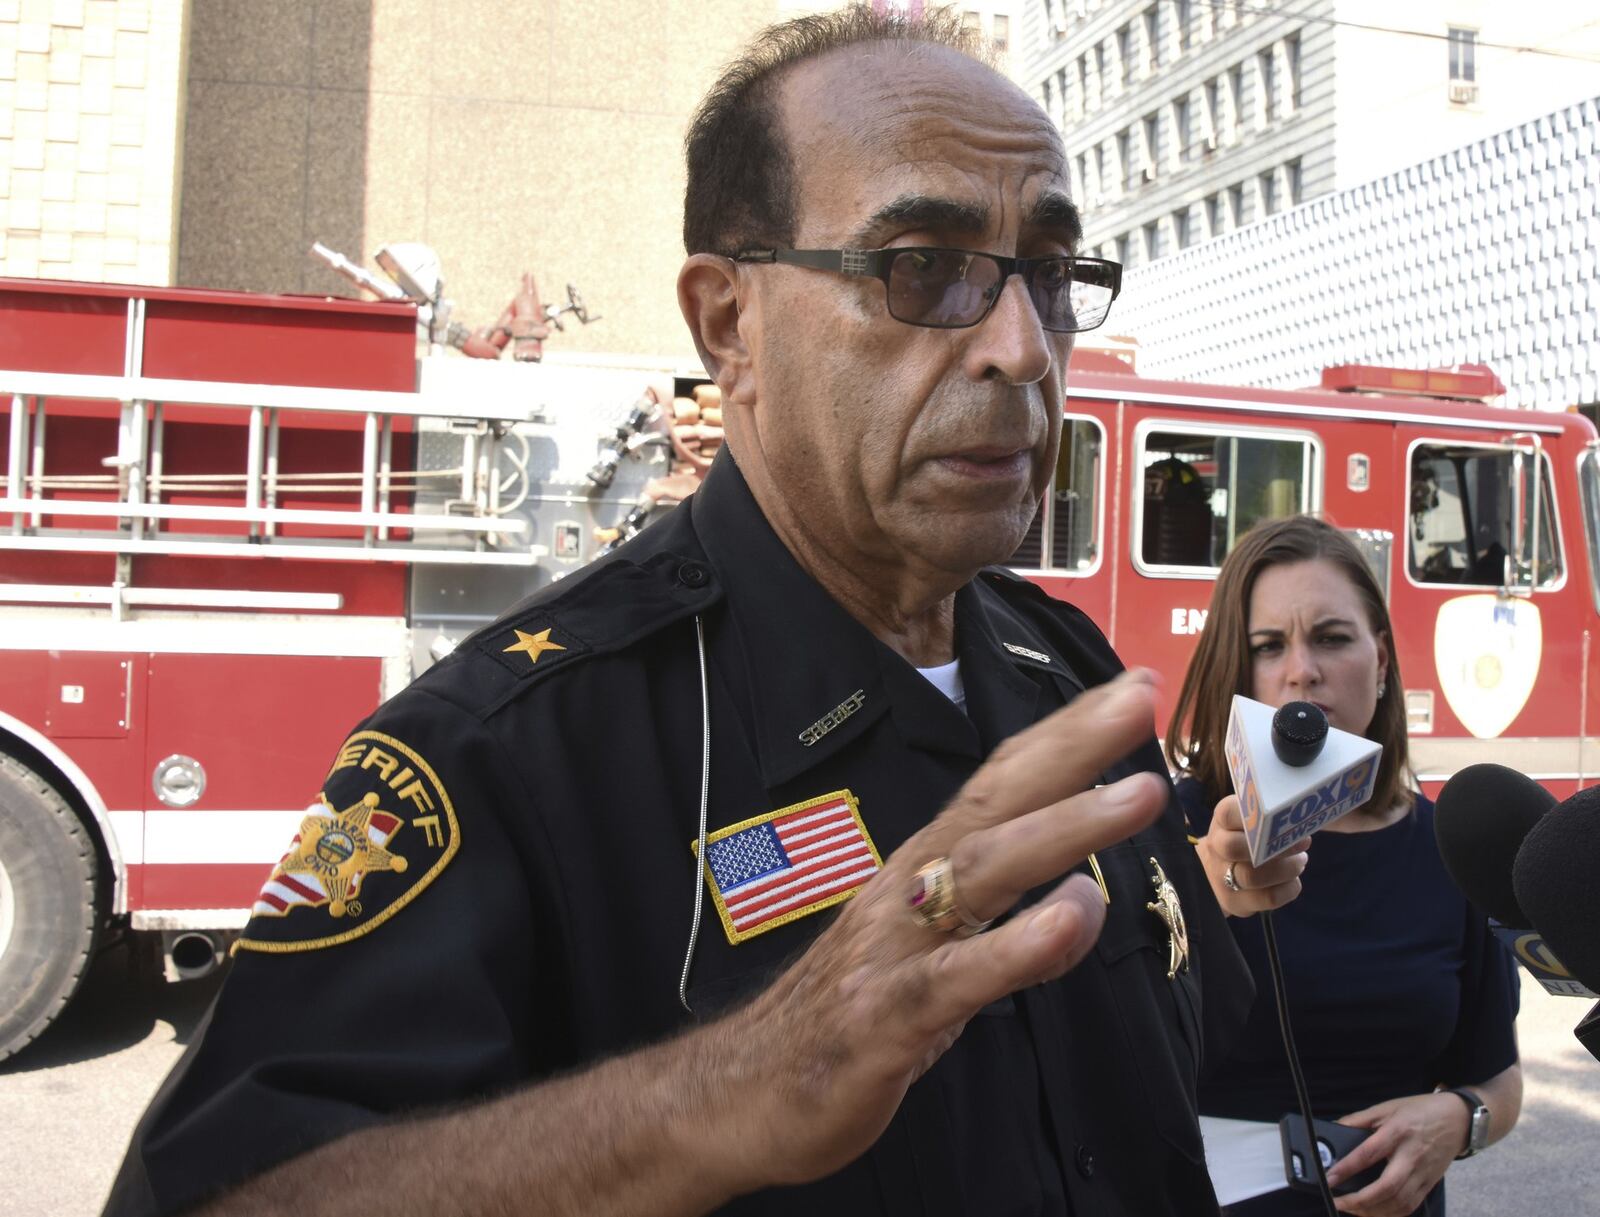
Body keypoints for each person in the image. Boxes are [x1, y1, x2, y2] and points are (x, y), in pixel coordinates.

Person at [103, 10, 1253, 1216]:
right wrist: (715, 1096)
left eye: (1052, 276)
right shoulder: (511, 751)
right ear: (728, 326)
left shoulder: (1066, 671)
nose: (1024, 349)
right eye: (921, 265)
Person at [1167, 516, 1522, 1217]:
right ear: (1237, 671)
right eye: (1268, 646)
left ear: (1382, 660)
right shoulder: (1168, 828)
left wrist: (1460, 1120)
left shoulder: (1450, 846)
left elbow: (1499, 1081)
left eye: (1331, 637)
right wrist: (1197, 896)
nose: (1302, 669)